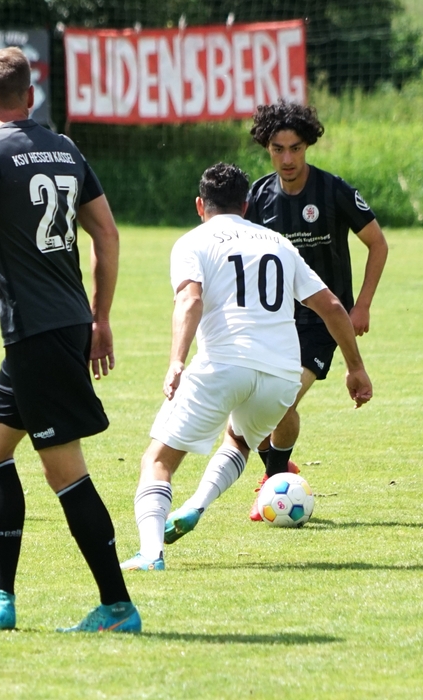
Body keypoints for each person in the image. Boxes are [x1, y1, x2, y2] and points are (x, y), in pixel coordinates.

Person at [0, 47, 139, 633]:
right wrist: (100, 317)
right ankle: (0, 598)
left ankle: (118, 606)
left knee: (65, 470)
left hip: (38, 334)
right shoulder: (65, 149)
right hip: (58, 327)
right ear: (31, 96)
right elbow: (107, 234)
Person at [120, 163, 373, 571]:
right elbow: (330, 305)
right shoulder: (278, 243)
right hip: (282, 376)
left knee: (158, 460)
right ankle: (197, 505)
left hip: (224, 364)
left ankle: (151, 553)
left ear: (200, 205)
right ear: (246, 205)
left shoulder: (193, 241)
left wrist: (177, 360)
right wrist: (355, 367)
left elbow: (189, 300)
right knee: (238, 440)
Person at [170, 100, 389, 529]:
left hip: (322, 321)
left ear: (308, 146)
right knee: (272, 408)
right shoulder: (258, 198)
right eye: (277, 149)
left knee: (281, 405)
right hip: (274, 324)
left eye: (295, 148)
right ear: (266, 149)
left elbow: (377, 243)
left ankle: (273, 480)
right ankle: (277, 477)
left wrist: (361, 304)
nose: (287, 159)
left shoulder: (333, 191)